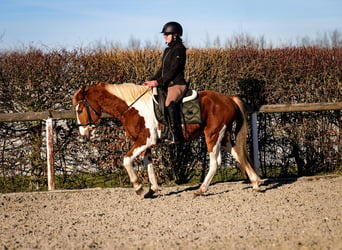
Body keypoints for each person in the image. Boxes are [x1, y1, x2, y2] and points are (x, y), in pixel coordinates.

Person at [143, 21, 188, 144]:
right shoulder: (168, 50)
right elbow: (162, 70)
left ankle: (177, 135)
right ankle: (163, 133)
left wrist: (158, 82)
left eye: (167, 34)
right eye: (165, 34)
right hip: (167, 84)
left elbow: (173, 70)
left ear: (175, 35)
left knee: (169, 103)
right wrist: (152, 80)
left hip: (177, 84)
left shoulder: (179, 50)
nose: (164, 36)